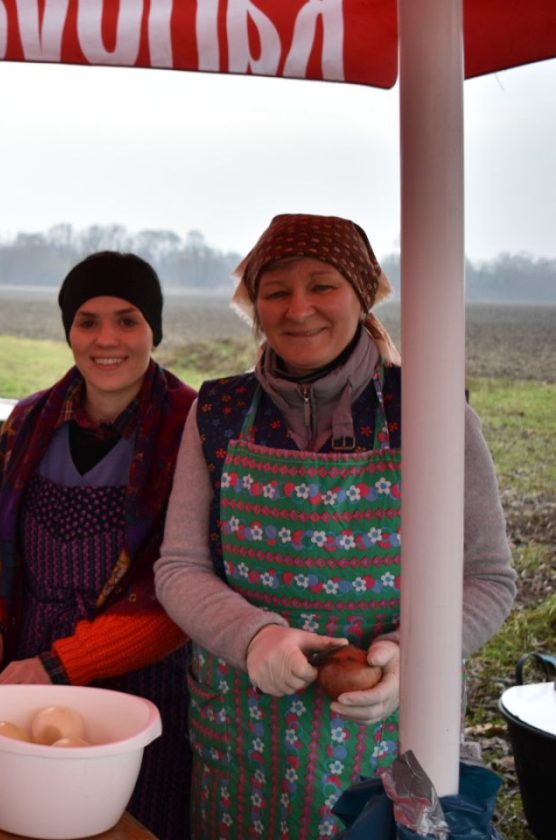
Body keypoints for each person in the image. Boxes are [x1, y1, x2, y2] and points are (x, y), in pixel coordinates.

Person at [153, 213, 517, 839]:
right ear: (254, 306)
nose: (299, 309)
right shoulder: (217, 412)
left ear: (361, 292)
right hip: (244, 737)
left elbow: (488, 578)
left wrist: (414, 656)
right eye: (276, 291)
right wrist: (253, 638)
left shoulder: (429, 409)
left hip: (395, 741)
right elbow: (179, 567)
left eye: (322, 285)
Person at [0, 251, 197, 840]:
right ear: (69, 330)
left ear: (153, 330)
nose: (105, 338)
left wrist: (62, 666)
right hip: (26, 662)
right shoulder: (27, 422)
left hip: (143, 685)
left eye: (127, 319)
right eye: (87, 321)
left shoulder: (190, 431)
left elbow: (180, 592)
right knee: (21, 817)